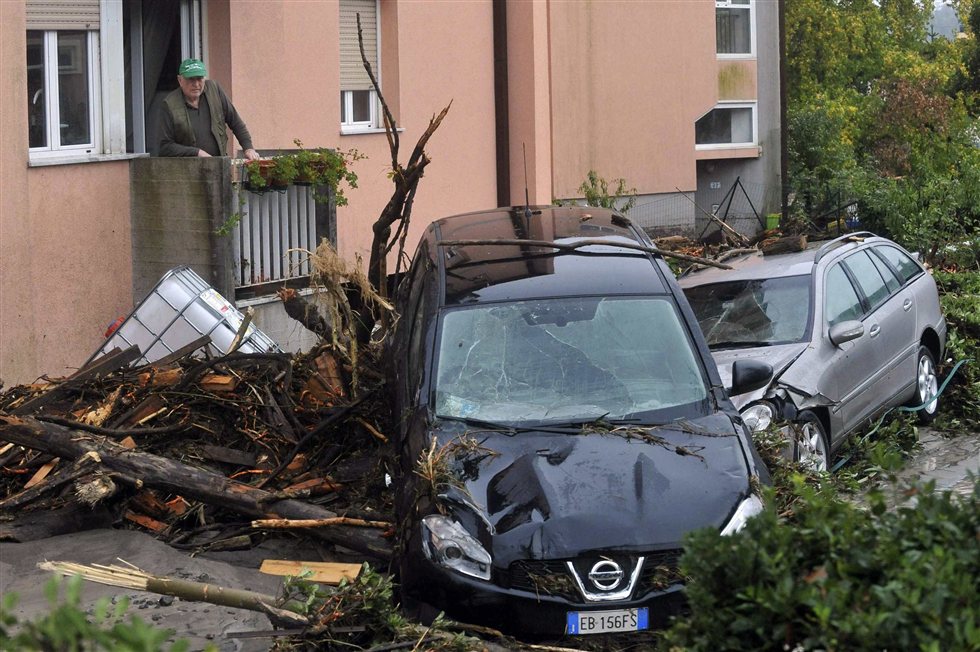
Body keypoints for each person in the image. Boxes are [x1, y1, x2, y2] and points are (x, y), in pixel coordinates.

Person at [158, 58, 260, 161]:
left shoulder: (214, 90)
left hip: (218, 166)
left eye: (200, 78)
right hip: (187, 171)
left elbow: (235, 121)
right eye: (191, 79)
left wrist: (248, 148)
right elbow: (165, 147)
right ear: (180, 80)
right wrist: (197, 152)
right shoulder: (169, 104)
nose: (196, 84)